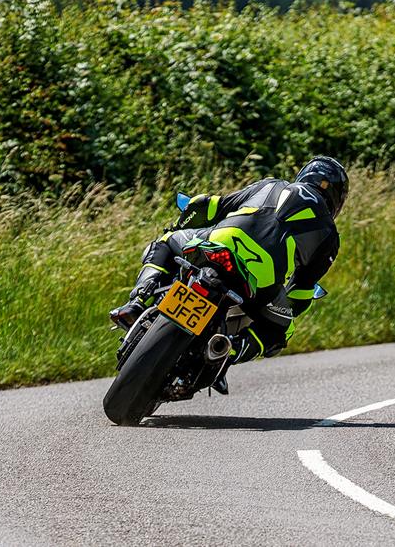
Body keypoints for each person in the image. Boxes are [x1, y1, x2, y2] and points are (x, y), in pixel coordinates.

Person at [110, 156, 348, 392]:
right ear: (337, 199)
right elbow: (302, 288)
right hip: (258, 280)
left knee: (165, 241)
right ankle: (227, 351)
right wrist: (287, 309)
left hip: (215, 245)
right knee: (281, 330)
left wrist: (181, 225)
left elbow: (209, 205)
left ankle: (137, 301)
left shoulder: (271, 184)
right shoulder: (329, 234)